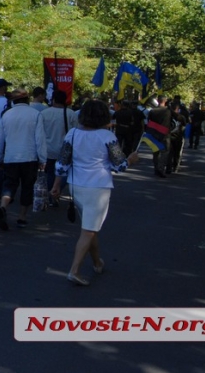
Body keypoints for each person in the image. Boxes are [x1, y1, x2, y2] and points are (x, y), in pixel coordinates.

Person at [53, 99, 139, 286]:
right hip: (97, 187)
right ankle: (74, 270)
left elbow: (62, 163)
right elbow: (120, 165)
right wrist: (131, 159)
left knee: (90, 228)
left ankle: (97, 262)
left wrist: (57, 184)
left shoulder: (72, 134)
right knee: (89, 230)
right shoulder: (106, 136)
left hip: (75, 185)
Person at [0, 88, 47, 230]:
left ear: (14, 101)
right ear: (27, 99)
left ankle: (3, 207)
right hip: (29, 157)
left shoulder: (6, 115)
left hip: (11, 157)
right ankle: (22, 217)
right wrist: (43, 159)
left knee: (9, 185)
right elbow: (40, 139)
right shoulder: (35, 114)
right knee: (27, 187)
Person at [39, 90, 78, 206]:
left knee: (50, 173)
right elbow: (75, 133)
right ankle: (56, 190)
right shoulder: (71, 114)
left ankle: (52, 193)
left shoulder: (44, 113)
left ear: (53, 99)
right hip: (64, 151)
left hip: (48, 149)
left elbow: (40, 133)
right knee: (64, 173)